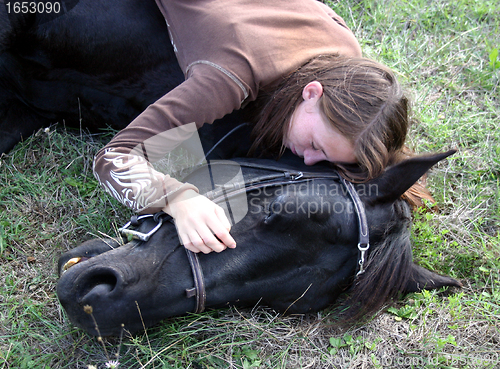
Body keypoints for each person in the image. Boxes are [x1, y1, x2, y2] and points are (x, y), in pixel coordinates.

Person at [93, 0, 411, 254]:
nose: (310, 160)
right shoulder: (231, 77)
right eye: (315, 145)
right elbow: (114, 158)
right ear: (312, 92)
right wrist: (178, 200)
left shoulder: (346, 53)